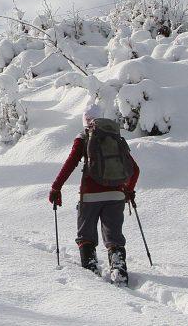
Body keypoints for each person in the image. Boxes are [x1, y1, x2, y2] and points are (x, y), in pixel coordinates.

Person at [48, 104, 139, 284]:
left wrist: (56, 187)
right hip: (116, 194)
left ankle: (91, 273)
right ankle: (119, 268)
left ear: (85, 121)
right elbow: (134, 170)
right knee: (114, 237)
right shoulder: (115, 138)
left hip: (90, 196)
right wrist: (128, 190)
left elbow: (70, 164)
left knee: (86, 236)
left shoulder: (82, 138)